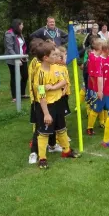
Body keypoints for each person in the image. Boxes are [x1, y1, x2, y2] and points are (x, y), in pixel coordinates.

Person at [30, 41, 80, 169]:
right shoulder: (40, 74)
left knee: (61, 128)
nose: (57, 57)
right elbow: (41, 95)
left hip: (58, 103)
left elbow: (63, 81)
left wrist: (52, 87)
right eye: (53, 54)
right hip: (46, 106)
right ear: (45, 58)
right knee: (44, 132)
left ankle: (66, 151)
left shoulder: (56, 67)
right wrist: (46, 113)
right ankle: (42, 158)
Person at [5, 19, 29, 102]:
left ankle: (22, 93)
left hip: (23, 58)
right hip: (13, 60)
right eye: (21, 25)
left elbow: (22, 46)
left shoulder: (20, 34)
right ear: (17, 25)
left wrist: (24, 55)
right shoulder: (9, 34)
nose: (23, 26)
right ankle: (14, 96)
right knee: (14, 77)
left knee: (25, 75)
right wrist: (17, 58)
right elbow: (9, 48)